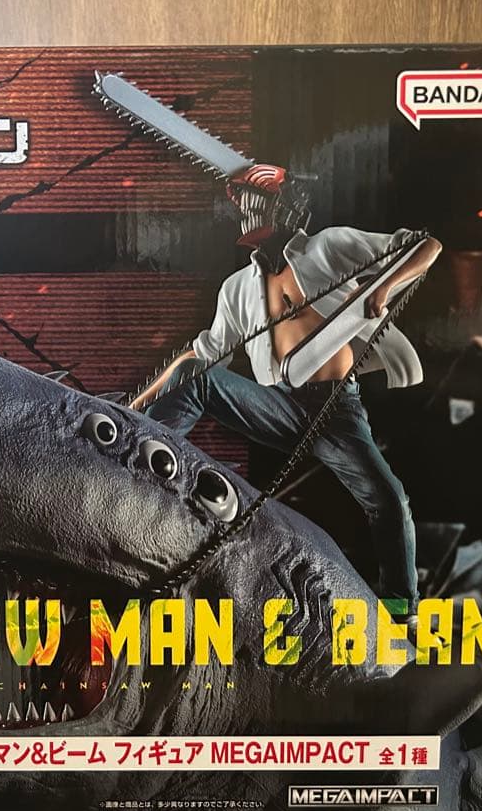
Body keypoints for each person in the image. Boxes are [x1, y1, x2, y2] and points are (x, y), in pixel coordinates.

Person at [131, 164, 442, 611]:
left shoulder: (329, 247)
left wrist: (385, 287)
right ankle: (137, 474)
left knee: (389, 500)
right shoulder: (236, 290)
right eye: (244, 207)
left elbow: (426, 246)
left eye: (258, 204)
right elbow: (197, 357)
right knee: (197, 377)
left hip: (335, 409)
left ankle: (400, 608)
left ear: (287, 207)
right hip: (279, 405)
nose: (248, 215)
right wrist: (134, 407)